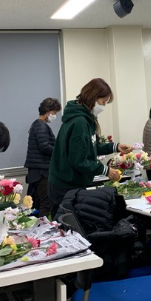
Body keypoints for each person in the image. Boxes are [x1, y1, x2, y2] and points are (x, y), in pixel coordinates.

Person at [48, 78, 133, 211]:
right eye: (103, 102)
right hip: (65, 186)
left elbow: (90, 148)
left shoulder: (84, 119)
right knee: (69, 229)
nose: (103, 107)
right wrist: (105, 170)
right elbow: (78, 160)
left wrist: (115, 146)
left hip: (70, 183)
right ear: (93, 97)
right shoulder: (80, 122)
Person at [24, 97, 62, 217]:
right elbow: (45, 147)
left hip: (38, 170)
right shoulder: (41, 125)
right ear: (47, 111)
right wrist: (60, 151)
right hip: (41, 171)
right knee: (46, 204)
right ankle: (44, 231)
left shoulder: (38, 125)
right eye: (54, 113)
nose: (54, 116)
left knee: (41, 203)